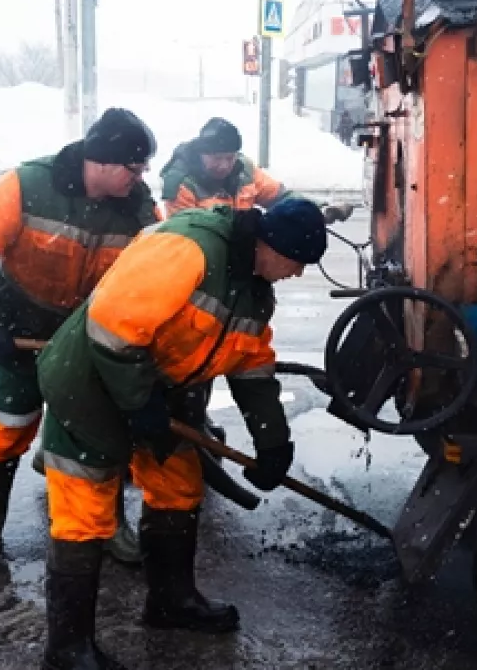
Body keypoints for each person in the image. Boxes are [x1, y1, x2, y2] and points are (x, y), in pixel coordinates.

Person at [34, 198, 328, 669]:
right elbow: (112, 328)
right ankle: (68, 648)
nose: (297, 275)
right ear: (272, 246)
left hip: (159, 393)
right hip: (90, 384)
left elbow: (250, 365)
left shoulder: (254, 289)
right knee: (84, 512)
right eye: (297, 263)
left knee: (178, 487)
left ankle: (170, 601)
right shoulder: (190, 248)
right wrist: (139, 404)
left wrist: (272, 441)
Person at [0, 107, 158, 569]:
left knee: (100, 433)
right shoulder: (27, 185)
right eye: (134, 166)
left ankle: (106, 524)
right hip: (19, 325)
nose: (140, 177)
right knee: (8, 424)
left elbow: (151, 277)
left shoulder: (138, 209)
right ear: (103, 162)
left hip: (85, 336)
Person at [159, 117, 354, 224]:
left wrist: (317, 209)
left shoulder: (244, 170)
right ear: (202, 154)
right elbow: (189, 236)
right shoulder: (181, 184)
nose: (225, 165)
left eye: (230, 157)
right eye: (217, 158)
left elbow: (280, 197)